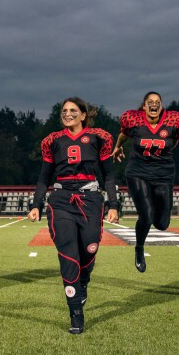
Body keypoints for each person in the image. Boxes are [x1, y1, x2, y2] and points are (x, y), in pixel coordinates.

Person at [28, 97, 119, 334]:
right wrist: (37, 203)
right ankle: (75, 312)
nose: (67, 114)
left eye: (73, 110)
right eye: (64, 110)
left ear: (83, 115)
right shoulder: (52, 141)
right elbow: (43, 177)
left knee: (90, 248)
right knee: (68, 253)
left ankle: (84, 279)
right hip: (61, 200)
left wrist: (113, 204)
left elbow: (108, 175)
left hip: (90, 199)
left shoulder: (100, 137)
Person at [113, 92, 179, 272]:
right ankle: (139, 248)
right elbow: (124, 134)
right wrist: (117, 146)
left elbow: (174, 141)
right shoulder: (134, 121)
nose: (154, 105)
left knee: (162, 225)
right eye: (150, 102)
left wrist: (163, 154)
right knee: (146, 215)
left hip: (164, 173)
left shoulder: (173, 122)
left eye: (157, 102)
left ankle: (153, 207)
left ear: (161, 106)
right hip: (138, 172)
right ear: (144, 106)